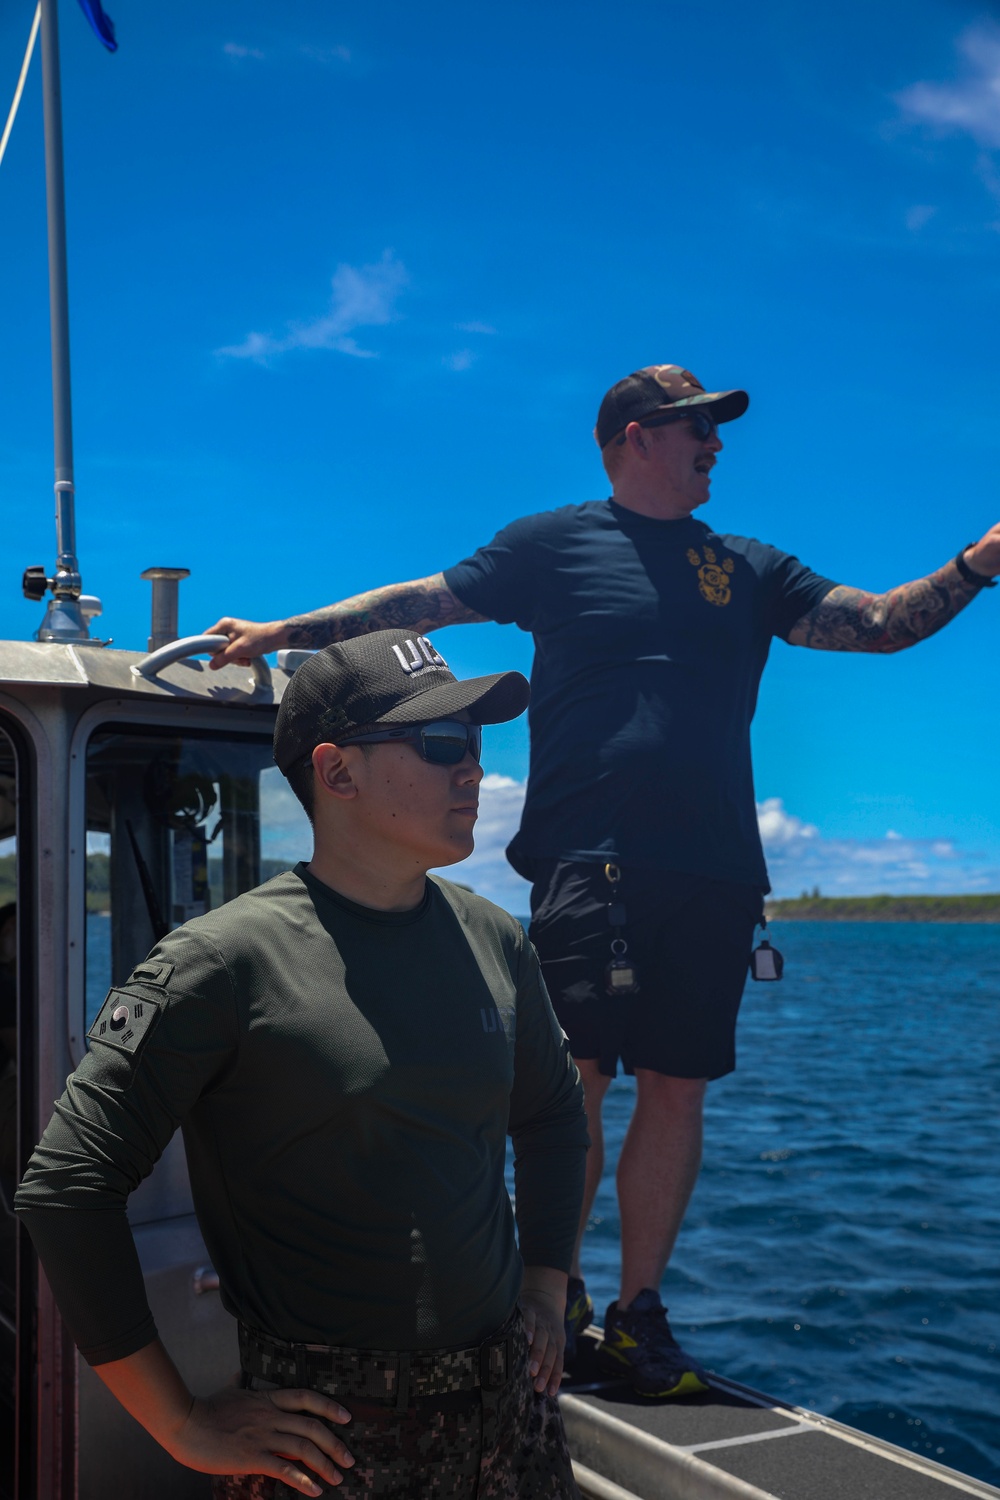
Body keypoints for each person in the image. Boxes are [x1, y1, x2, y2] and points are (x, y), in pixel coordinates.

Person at [203, 363, 1000, 1400]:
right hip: (592, 862)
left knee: (677, 1088)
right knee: (570, 1083)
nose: (716, 444)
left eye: (716, 430)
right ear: (633, 436)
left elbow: (883, 621)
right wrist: (281, 632)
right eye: (696, 428)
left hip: (715, 871)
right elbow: (421, 600)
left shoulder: (751, 567)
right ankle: (554, 1293)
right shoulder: (552, 545)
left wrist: (980, 559)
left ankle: (636, 1316)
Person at [15, 628, 588, 1498]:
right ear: (337, 771)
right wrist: (179, 1422)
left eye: (475, 742)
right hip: (330, 1443)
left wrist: (547, 1285)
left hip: (514, 1413)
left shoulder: (495, 938)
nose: (471, 768)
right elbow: (66, 1188)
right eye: (440, 744)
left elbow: (550, 1117)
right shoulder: (222, 962)